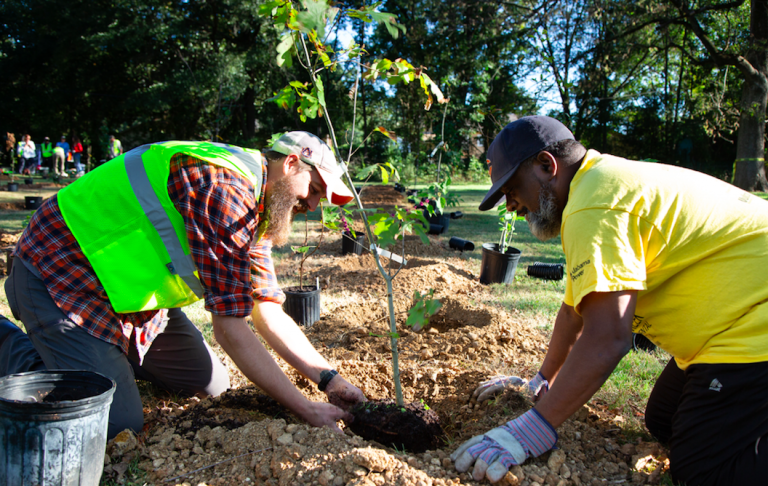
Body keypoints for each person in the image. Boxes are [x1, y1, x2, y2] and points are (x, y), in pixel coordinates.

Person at [451, 116, 768, 485]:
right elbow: (574, 312)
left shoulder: (594, 207)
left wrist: (528, 430)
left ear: (545, 165)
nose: (511, 206)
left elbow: (608, 338)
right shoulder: (593, 186)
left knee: (702, 470)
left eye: (511, 190)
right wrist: (540, 380)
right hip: (727, 326)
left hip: (753, 329)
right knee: (664, 418)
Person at [0, 132, 366, 439]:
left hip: (134, 303)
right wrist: (304, 409)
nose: (315, 204)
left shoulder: (258, 201)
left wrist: (328, 379)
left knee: (212, 386)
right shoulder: (225, 189)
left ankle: (108, 360)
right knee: (118, 424)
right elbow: (230, 328)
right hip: (62, 280)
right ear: (289, 165)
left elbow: (266, 308)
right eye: (315, 189)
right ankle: (12, 345)